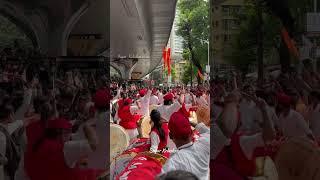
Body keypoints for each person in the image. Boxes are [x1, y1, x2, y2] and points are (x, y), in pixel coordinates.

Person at [24, 118, 103, 180]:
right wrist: (87, 125)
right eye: (68, 133)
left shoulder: (36, 144)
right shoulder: (66, 148)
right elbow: (94, 145)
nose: (70, 137)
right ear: (61, 133)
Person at [161, 111, 210, 180]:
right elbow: (208, 132)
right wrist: (189, 123)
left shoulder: (173, 162)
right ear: (192, 133)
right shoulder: (205, 143)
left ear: (170, 136)